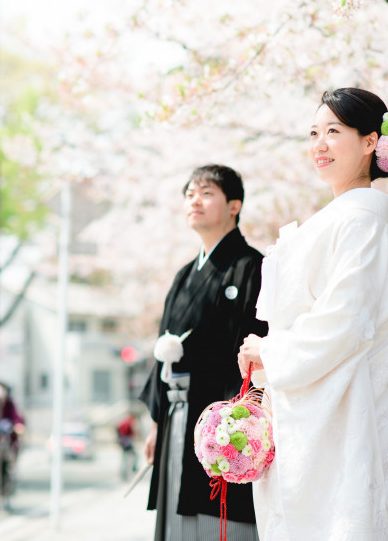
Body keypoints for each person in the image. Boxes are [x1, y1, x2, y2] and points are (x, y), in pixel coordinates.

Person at [238, 88, 388, 541]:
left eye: (333, 131)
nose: (319, 145)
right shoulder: (342, 220)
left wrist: (271, 350)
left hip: (332, 415)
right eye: (313, 132)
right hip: (310, 408)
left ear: (371, 142)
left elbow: (344, 322)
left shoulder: (356, 222)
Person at [139, 164, 268, 541]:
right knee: (177, 518)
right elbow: (162, 357)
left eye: (207, 192)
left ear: (234, 205)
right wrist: (155, 425)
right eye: (190, 194)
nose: (195, 200)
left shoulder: (251, 267)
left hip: (223, 424)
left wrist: (244, 423)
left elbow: (258, 352)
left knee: (221, 517)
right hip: (177, 416)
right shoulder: (182, 276)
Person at [116, 412, 139, 480]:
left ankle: (123, 472)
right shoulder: (129, 422)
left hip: (122, 440)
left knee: (125, 457)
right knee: (134, 455)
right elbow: (133, 431)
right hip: (127, 440)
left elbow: (117, 428)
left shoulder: (123, 421)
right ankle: (133, 468)